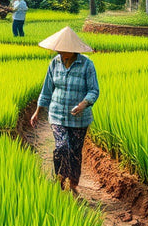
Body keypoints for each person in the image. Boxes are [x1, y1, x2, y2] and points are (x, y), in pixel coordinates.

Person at [29, 26, 99, 196]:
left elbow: (94, 90)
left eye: (65, 49)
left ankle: (73, 181)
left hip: (79, 118)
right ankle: (60, 178)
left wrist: (84, 103)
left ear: (74, 49)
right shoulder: (54, 63)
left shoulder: (87, 65)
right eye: (59, 49)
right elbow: (47, 89)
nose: (61, 52)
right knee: (61, 147)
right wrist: (37, 111)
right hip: (57, 115)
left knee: (75, 151)